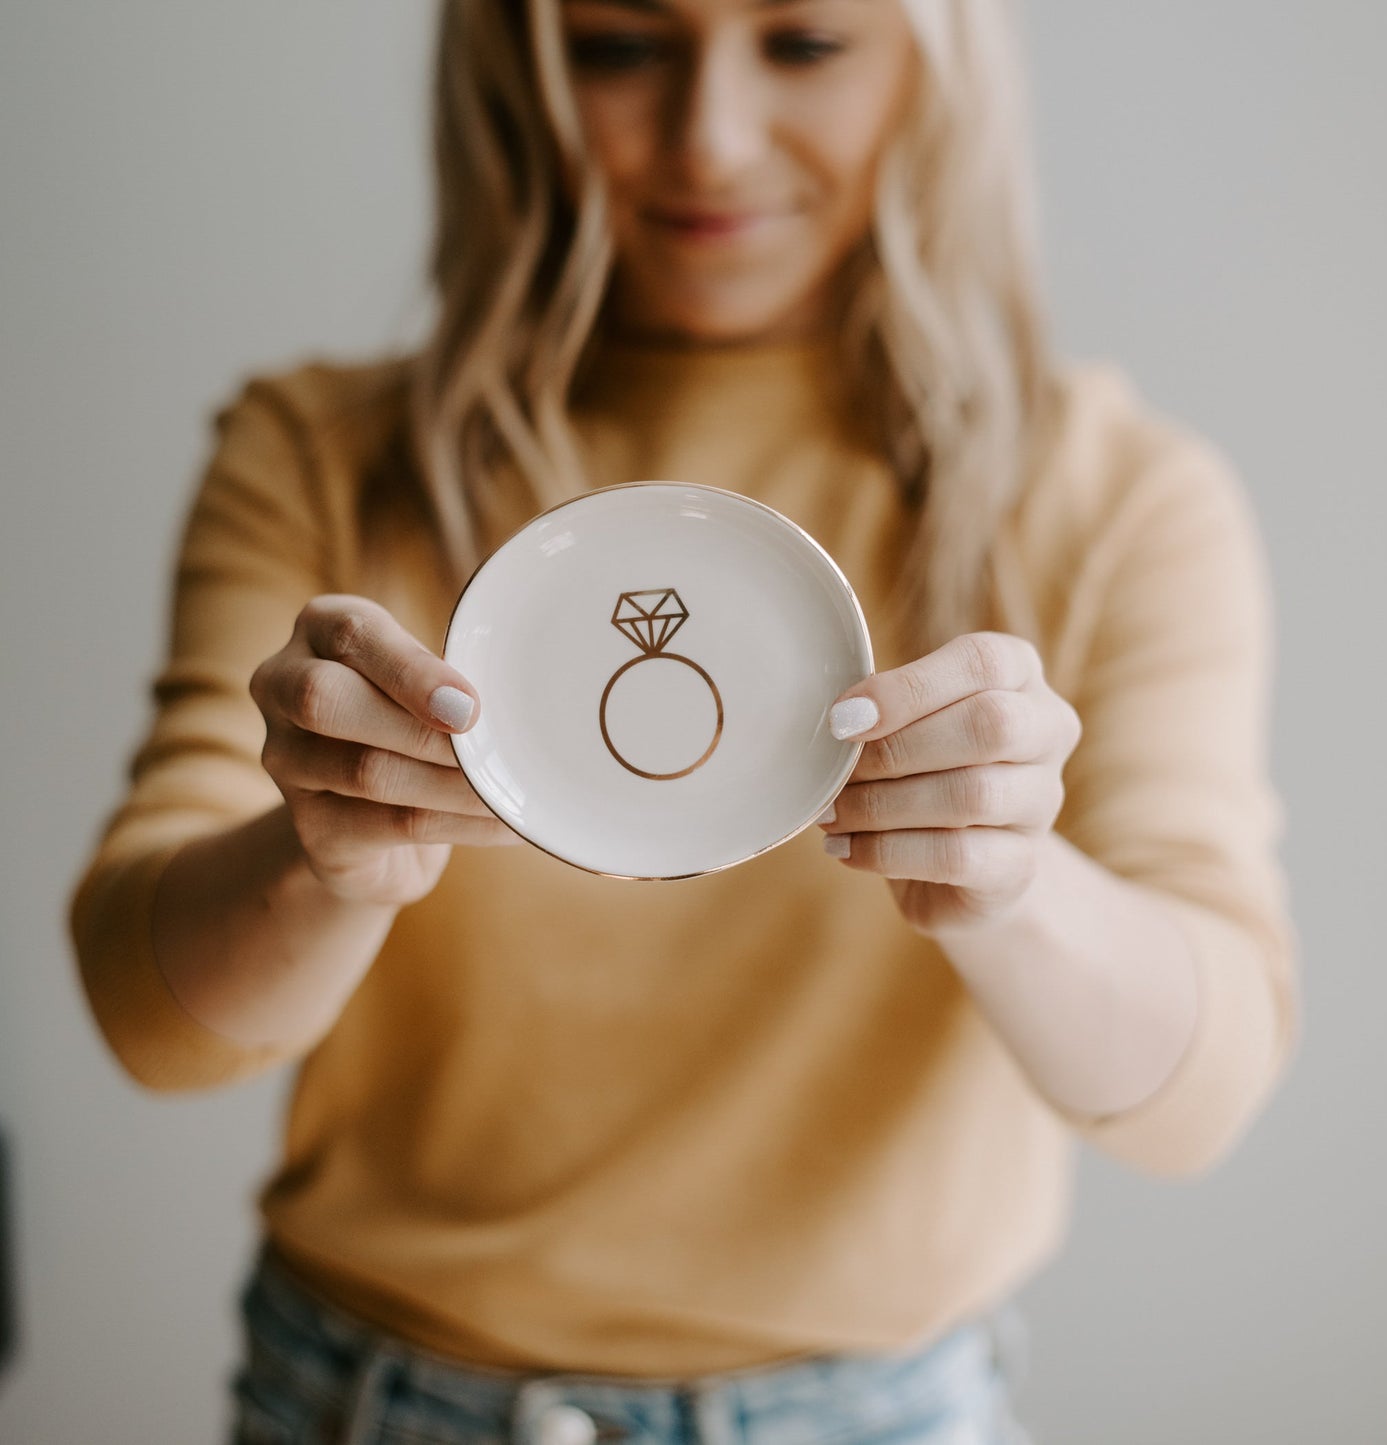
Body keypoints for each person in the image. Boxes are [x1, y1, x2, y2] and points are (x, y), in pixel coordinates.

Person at [69, 0, 1301, 1440]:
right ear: (508, 71)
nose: (709, 141)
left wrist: (1013, 889)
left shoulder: (1109, 498)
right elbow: (149, 1017)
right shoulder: (320, 457)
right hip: (363, 1397)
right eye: (618, 44)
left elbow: (1196, 1097)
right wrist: (314, 860)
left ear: (939, 70)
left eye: (804, 44)